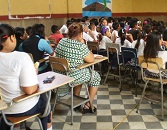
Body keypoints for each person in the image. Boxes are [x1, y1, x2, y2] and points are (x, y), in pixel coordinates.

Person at [0, 24, 52, 130]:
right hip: (21, 107)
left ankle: (16, 127)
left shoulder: (21, 50)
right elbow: (29, 90)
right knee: (46, 102)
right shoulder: (22, 57)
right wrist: (35, 81)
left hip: (3, 108)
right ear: (11, 37)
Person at [56, 23, 101, 113]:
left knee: (80, 71)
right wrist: (83, 44)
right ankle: (88, 105)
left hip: (61, 75)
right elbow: (91, 59)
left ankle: (75, 102)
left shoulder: (62, 41)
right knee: (96, 76)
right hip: (72, 77)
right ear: (80, 34)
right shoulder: (80, 46)